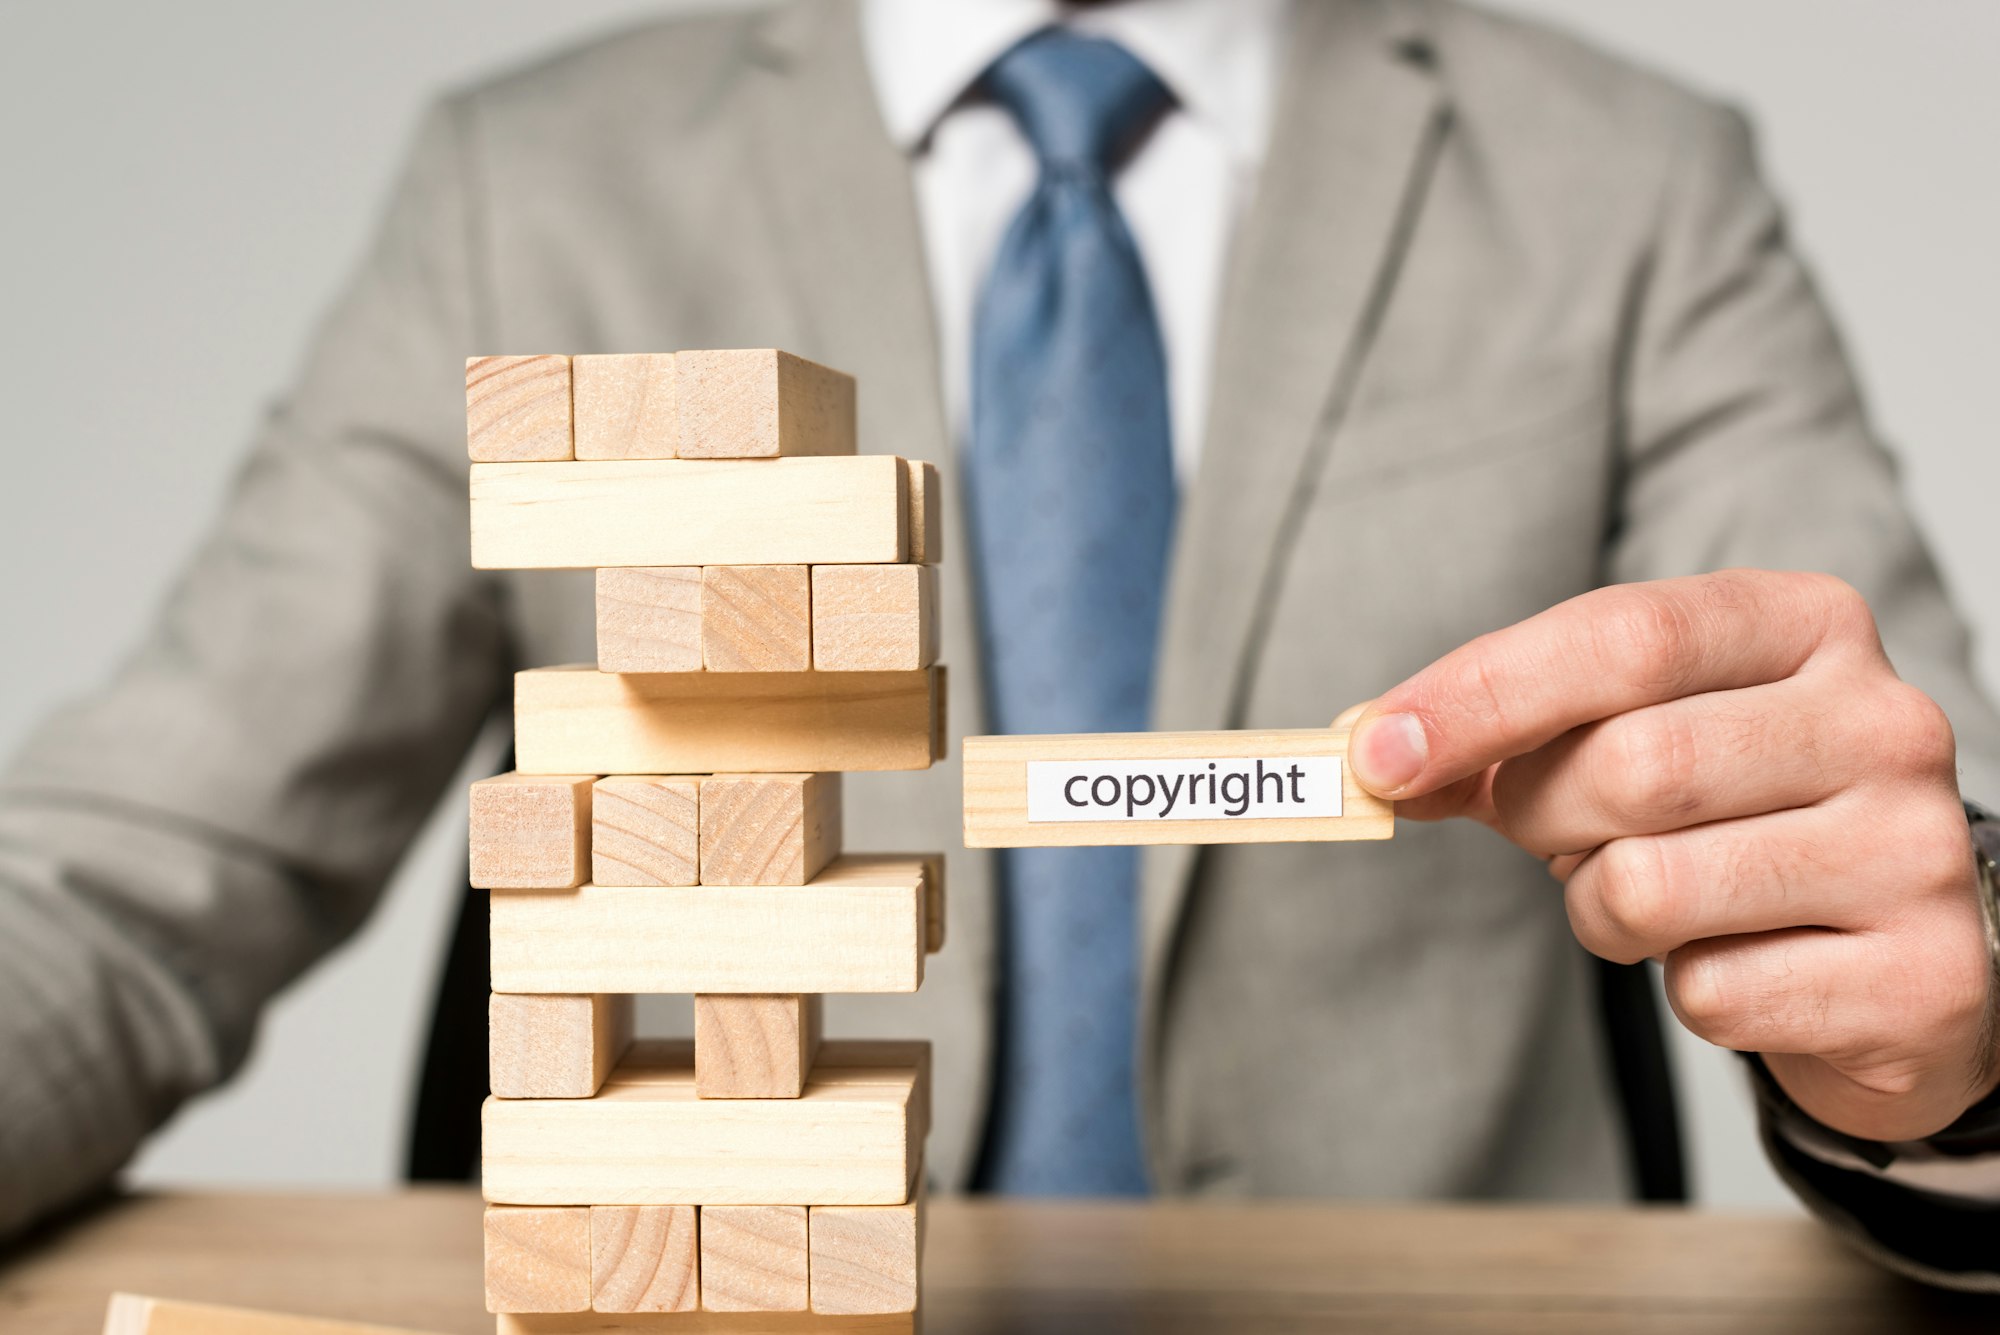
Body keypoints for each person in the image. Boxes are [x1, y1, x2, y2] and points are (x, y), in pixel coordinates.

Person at [2, 0, 1996, 1288]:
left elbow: (1916, 823)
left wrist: (1952, 1039)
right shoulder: (523, 182)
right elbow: (129, 875)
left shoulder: (1630, 177)